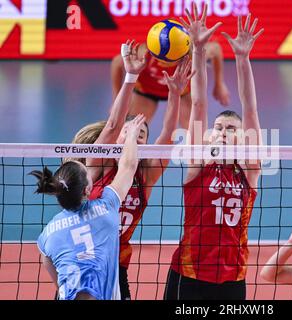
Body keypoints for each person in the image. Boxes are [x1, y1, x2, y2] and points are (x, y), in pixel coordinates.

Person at [164, 4, 264, 300]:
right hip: (189, 273)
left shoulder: (250, 169)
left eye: (230, 129)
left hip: (233, 275)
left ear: (242, 139)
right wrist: (197, 48)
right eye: (218, 127)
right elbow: (198, 104)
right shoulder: (198, 164)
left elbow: (250, 108)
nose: (222, 131)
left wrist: (242, 58)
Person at [86, 40, 194, 300]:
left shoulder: (145, 177)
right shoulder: (99, 164)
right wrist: (131, 75)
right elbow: (113, 124)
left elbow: (168, 133)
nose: (137, 133)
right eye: (131, 130)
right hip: (83, 258)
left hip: (117, 266)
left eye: (142, 134)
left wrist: (175, 93)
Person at [33, 114, 146, 300]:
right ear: (88, 189)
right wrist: (132, 136)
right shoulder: (106, 208)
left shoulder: (48, 234)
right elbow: (128, 166)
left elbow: (52, 268)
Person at [111, 37, 230, 129]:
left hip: (182, 90)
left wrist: (219, 84)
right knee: (133, 128)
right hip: (147, 90)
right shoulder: (145, 53)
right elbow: (117, 62)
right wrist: (117, 100)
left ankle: (199, 160)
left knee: (194, 131)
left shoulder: (194, 54)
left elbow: (216, 49)